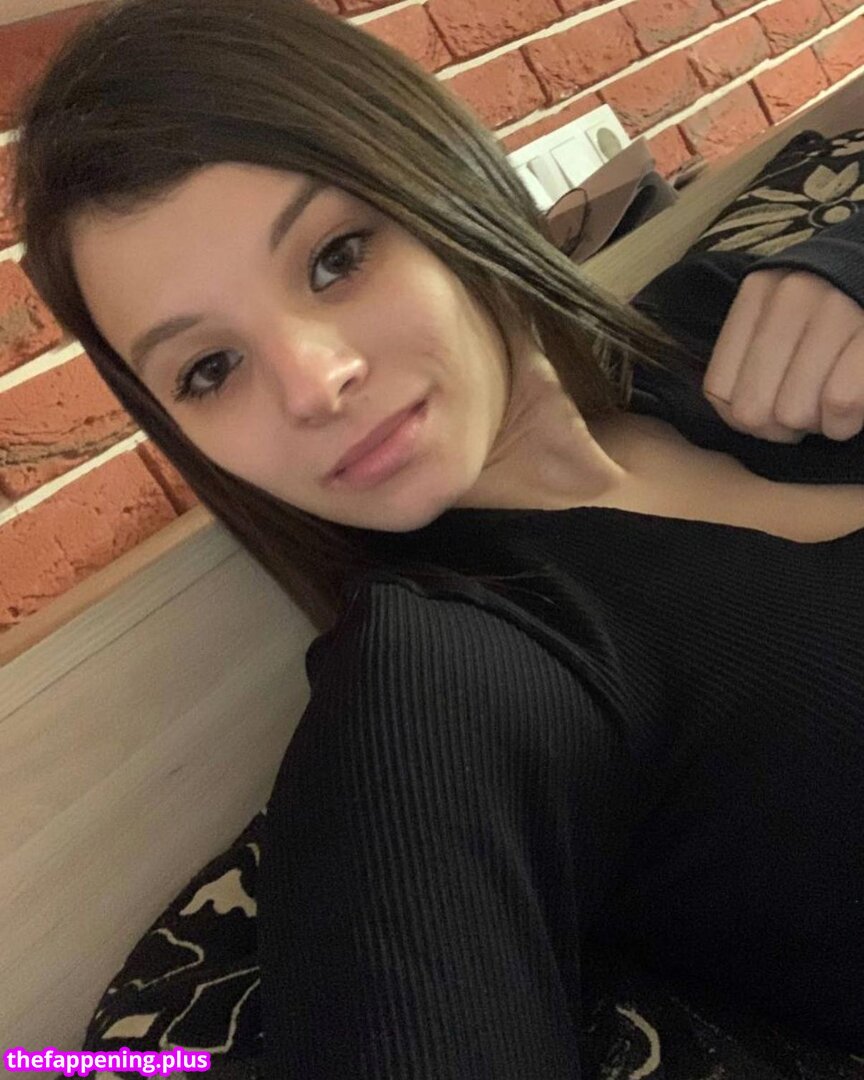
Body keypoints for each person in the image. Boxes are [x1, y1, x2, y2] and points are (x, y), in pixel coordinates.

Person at [12, 0, 864, 1074]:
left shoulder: (715, 318)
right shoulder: (442, 675)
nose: (315, 385)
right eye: (210, 370)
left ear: (447, 185)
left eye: (336, 258)